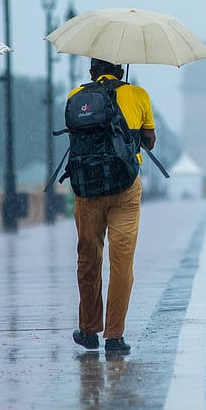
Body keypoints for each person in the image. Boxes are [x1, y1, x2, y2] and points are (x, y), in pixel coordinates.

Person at [69, 58, 156, 355]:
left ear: (92, 72)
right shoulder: (138, 94)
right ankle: (114, 336)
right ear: (120, 70)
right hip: (125, 186)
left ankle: (89, 329)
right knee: (122, 263)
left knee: (88, 258)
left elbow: (76, 138)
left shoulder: (75, 97)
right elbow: (150, 141)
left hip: (88, 187)